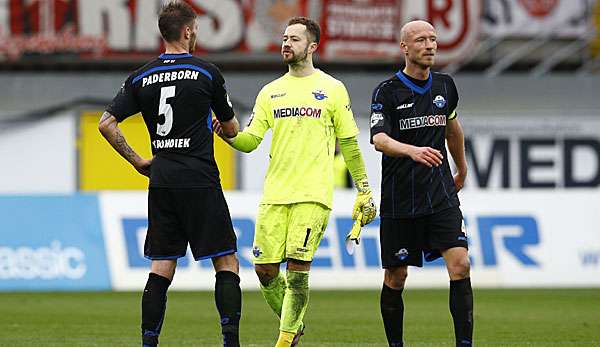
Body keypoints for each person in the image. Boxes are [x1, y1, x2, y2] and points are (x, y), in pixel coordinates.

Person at [213, 16, 377, 347]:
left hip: (313, 194)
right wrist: (227, 136)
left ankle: (284, 340)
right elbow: (250, 142)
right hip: (275, 194)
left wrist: (364, 189)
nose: (286, 44)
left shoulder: (332, 88)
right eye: (284, 38)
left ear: (313, 46)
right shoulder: (270, 92)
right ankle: (294, 324)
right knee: (265, 271)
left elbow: (349, 143)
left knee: (298, 267)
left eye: (295, 39)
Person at [98, 2, 242, 346]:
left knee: (161, 265)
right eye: (197, 30)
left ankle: (149, 342)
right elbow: (233, 129)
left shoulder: (141, 76)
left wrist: (137, 161)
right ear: (189, 31)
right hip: (199, 176)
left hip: (162, 178)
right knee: (226, 260)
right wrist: (223, 122)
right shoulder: (206, 72)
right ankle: (231, 341)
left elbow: (106, 123)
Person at [370, 20, 473, 347]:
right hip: (401, 199)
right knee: (396, 276)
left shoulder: (446, 86)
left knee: (460, 264)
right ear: (404, 47)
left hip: (440, 194)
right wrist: (411, 151)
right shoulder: (387, 92)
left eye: (433, 39)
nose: (429, 45)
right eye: (420, 40)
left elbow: (452, 127)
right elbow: (380, 139)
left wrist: (462, 167)